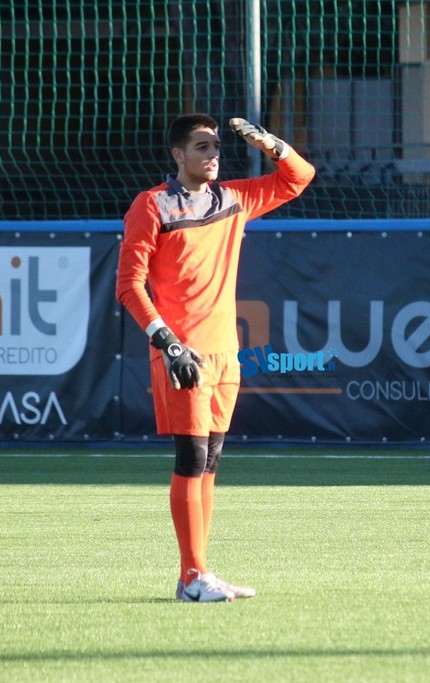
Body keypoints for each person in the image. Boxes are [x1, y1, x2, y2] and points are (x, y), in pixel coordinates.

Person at [116, 114, 315, 602]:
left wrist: (270, 145)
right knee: (191, 458)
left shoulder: (232, 199)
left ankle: (200, 572)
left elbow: (299, 177)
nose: (212, 155)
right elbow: (129, 285)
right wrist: (167, 342)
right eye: (201, 147)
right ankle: (191, 577)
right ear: (178, 155)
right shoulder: (152, 205)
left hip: (226, 354)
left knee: (210, 462)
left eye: (216, 148)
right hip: (182, 353)